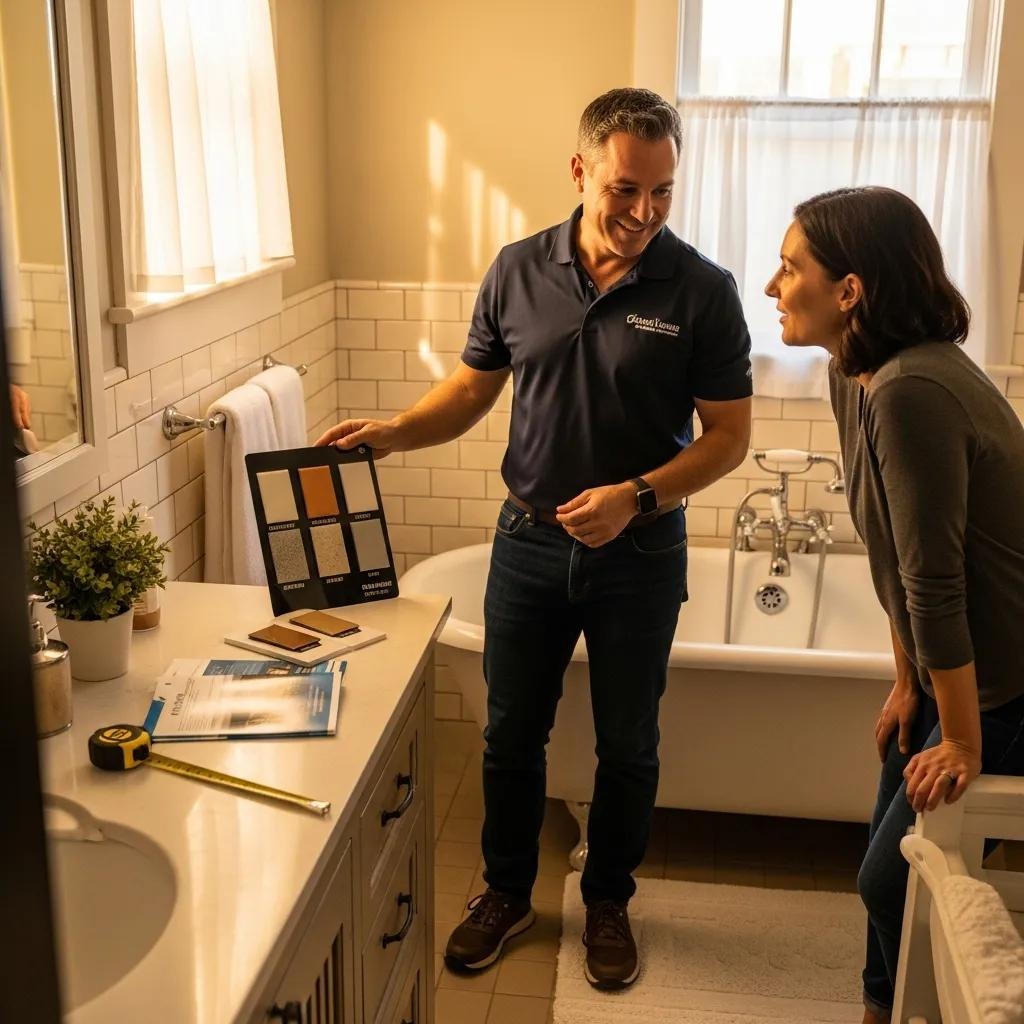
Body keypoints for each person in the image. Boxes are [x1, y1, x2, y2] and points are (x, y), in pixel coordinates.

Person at [317, 87, 752, 990]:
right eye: (626, 189)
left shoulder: (702, 289)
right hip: (526, 547)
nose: (644, 212)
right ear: (581, 168)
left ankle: (607, 902)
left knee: (628, 743)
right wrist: (393, 431)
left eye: (663, 192)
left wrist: (637, 496)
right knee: (511, 734)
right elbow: (474, 392)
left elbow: (728, 438)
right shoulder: (518, 269)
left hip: (640, 555)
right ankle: (507, 892)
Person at [765, 185, 1024, 1023]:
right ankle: (879, 1013)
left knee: (890, 878)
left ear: (850, 292)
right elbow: (889, 556)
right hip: (951, 675)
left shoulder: (914, 389)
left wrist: (960, 740)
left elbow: (936, 581)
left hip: (1004, 685)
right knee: (882, 883)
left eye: (791, 266)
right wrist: (906, 683)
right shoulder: (856, 375)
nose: (773, 286)